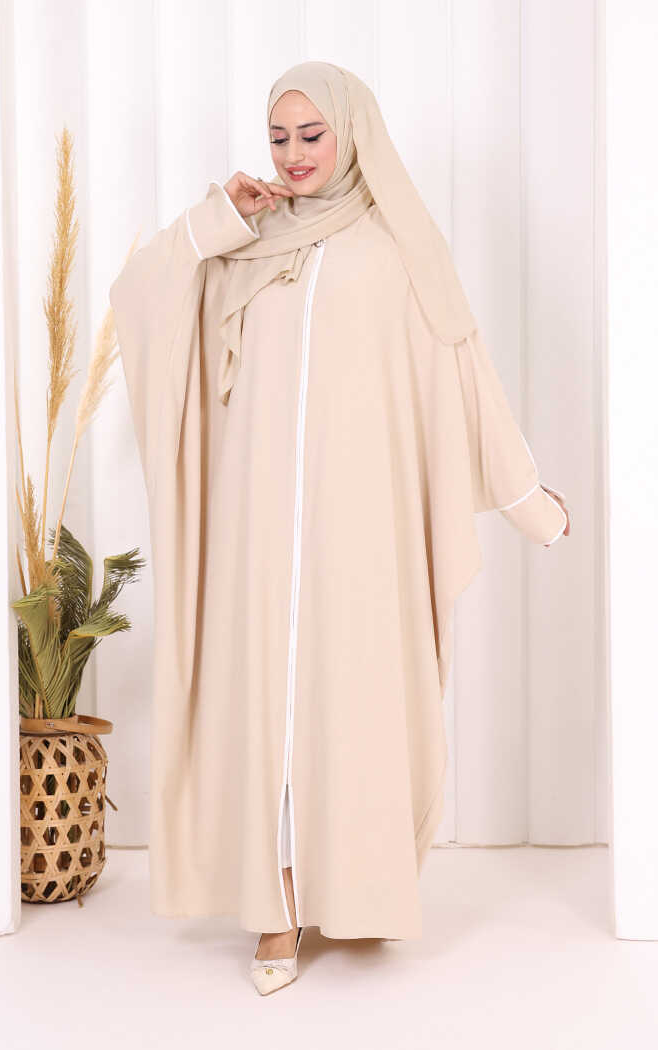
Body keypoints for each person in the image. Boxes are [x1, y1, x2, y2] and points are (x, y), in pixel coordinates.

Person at [109, 60, 570, 997]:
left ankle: (355, 891)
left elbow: (461, 366)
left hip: (360, 526)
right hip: (254, 527)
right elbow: (140, 298)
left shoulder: (395, 248)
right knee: (265, 705)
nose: (293, 154)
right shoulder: (248, 241)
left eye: (311, 135)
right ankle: (275, 909)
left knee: (349, 704)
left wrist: (526, 497)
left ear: (351, 132)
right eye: (279, 137)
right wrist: (216, 220)